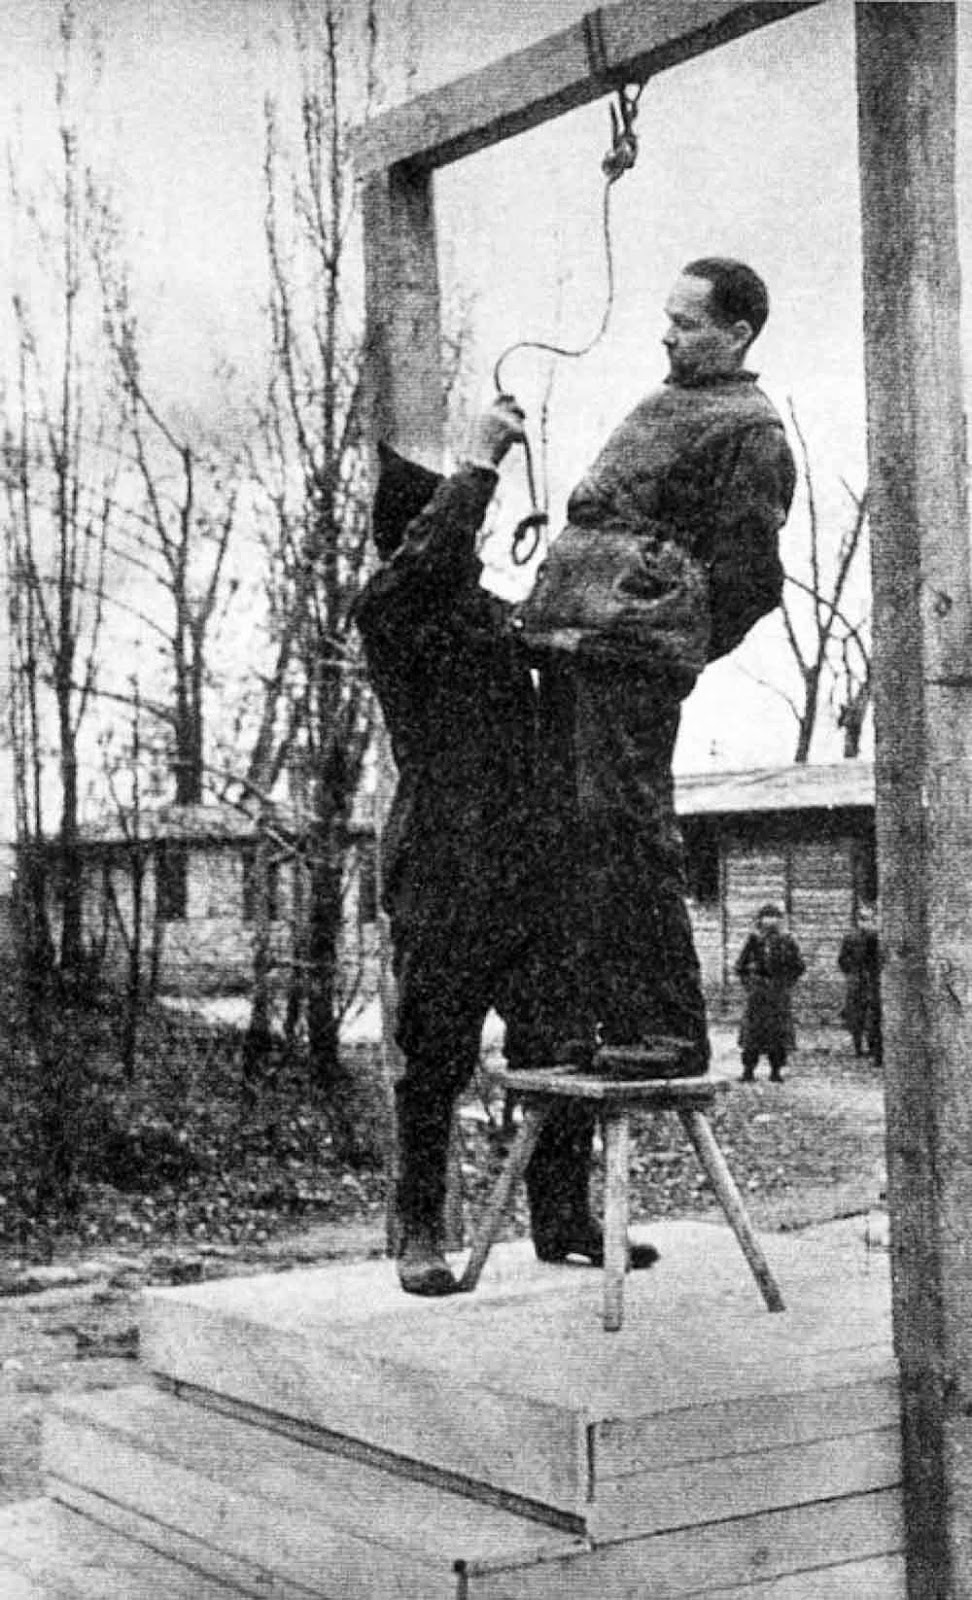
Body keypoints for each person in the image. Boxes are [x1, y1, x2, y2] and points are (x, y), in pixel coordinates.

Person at [354, 400, 657, 1297]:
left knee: (559, 1047)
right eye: (450, 520)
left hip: (531, 872)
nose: (470, 534)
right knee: (436, 1058)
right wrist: (478, 465)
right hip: (446, 875)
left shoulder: (485, 613)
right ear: (414, 538)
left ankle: (560, 1217)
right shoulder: (391, 610)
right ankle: (418, 1231)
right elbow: (429, 560)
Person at [516, 258, 797, 1077]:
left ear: (737, 333)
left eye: (688, 323)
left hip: (626, 660)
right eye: (668, 319)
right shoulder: (671, 402)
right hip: (576, 647)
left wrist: (664, 642)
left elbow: (751, 581)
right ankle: (585, 1021)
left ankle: (666, 1028)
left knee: (626, 832)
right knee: (567, 832)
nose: (668, 335)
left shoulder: (750, 432)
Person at [735, 903, 806, 1083]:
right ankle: (748, 1070)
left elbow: (798, 966)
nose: (770, 921)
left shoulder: (788, 940)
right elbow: (740, 966)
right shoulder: (753, 940)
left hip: (778, 994)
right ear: (760, 920)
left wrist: (786, 984)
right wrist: (750, 985)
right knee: (752, 1035)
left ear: (779, 920)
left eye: (774, 916)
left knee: (778, 1035)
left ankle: (776, 1071)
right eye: (766, 916)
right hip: (757, 995)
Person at [837, 904, 882, 1066]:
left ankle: (874, 1047)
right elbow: (842, 959)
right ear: (857, 920)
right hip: (857, 980)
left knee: (874, 1013)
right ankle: (857, 1046)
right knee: (856, 1014)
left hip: (873, 980)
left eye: (869, 919)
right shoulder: (850, 938)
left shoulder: (878, 938)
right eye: (862, 919)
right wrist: (852, 971)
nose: (865, 922)